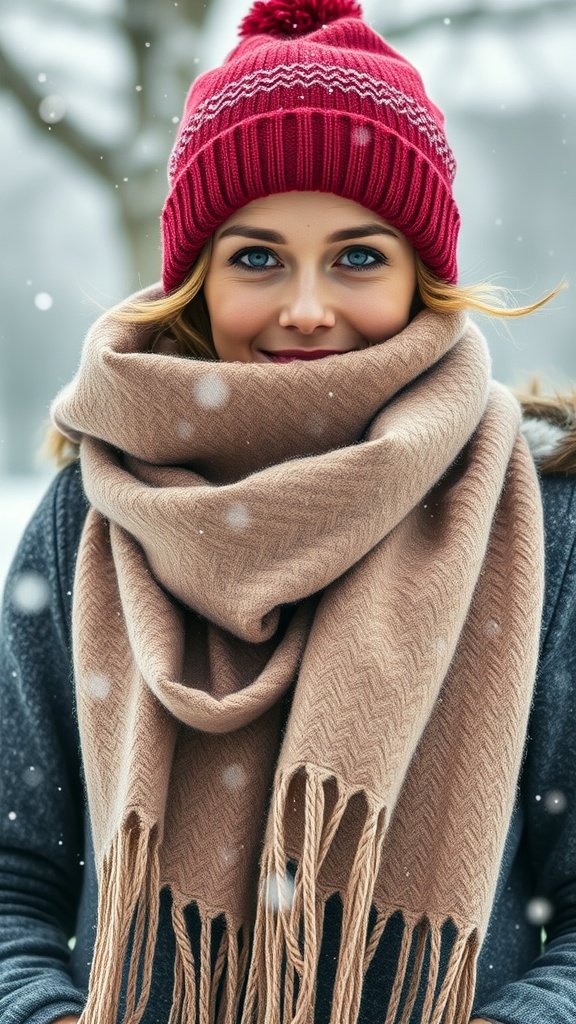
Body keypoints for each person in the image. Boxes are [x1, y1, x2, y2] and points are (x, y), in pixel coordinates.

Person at [0, 1, 574, 1023]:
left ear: (420, 274)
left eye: (358, 256)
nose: (307, 308)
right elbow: (11, 877)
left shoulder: (538, 519)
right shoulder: (94, 509)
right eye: (257, 257)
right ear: (197, 280)